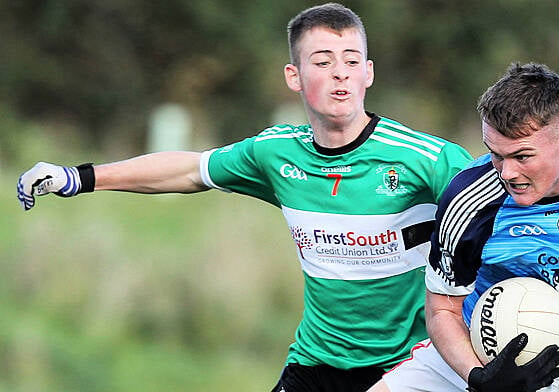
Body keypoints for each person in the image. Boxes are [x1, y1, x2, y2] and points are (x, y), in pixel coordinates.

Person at [16, 3, 474, 392]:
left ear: (369, 73)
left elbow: (502, 203)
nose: (340, 73)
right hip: (315, 363)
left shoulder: (426, 158)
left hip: (409, 363)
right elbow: (187, 169)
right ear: (294, 76)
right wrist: (77, 176)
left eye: (352, 60)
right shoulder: (274, 152)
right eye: (323, 61)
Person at [368, 62, 559, 392]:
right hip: (472, 352)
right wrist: (479, 377)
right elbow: (442, 308)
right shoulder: (469, 202)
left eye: (522, 156)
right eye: (495, 154)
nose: (506, 172)